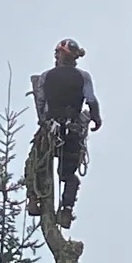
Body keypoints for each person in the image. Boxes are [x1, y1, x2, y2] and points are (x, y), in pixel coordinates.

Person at [26, 38, 102, 229]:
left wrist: (44, 122)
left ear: (59, 56)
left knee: (35, 164)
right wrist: (96, 118)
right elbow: (91, 100)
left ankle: (34, 198)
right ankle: (66, 210)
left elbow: (41, 102)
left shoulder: (45, 77)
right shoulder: (83, 77)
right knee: (68, 174)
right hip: (72, 131)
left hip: (51, 130)